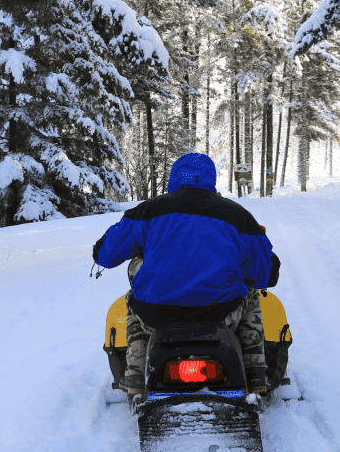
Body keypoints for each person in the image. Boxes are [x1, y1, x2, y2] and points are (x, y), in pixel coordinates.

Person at [93, 153, 280, 400]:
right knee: (252, 291)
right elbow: (267, 274)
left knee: (133, 302)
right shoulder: (237, 215)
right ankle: (256, 375)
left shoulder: (148, 211)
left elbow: (104, 254)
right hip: (221, 315)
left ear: (174, 179)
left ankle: (136, 379)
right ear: (211, 180)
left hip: (156, 317)